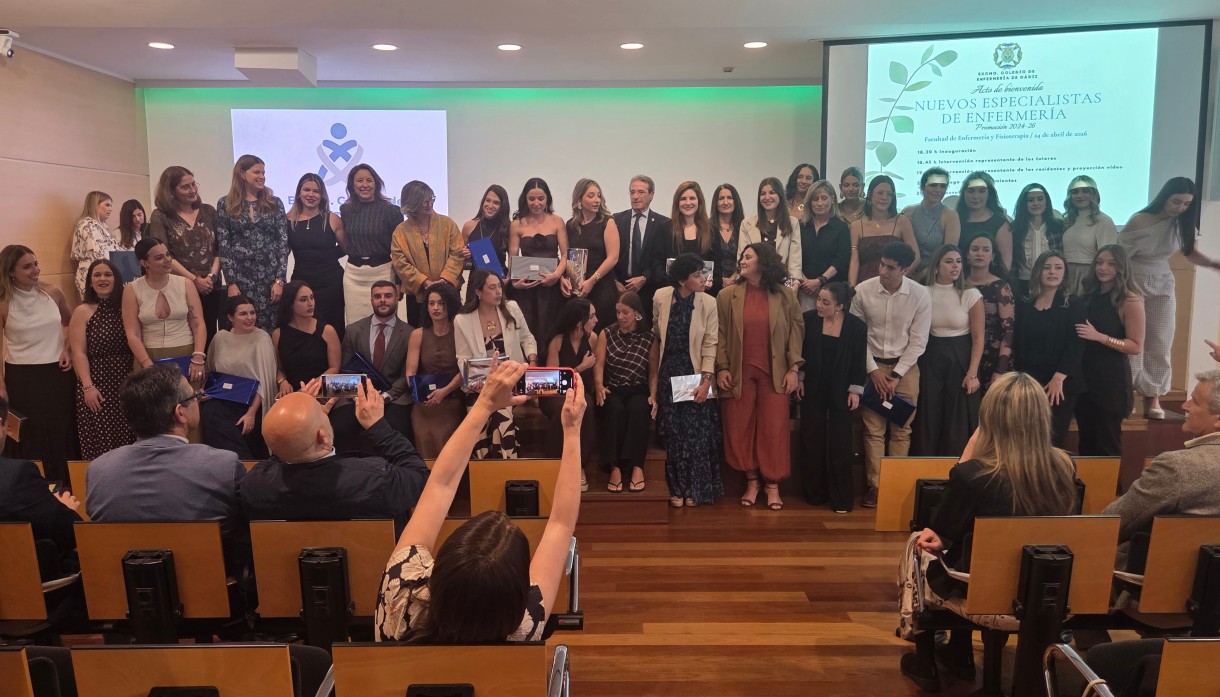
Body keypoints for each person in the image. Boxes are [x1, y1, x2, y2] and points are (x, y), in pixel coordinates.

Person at [374, 359, 585, 643]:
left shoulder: (399, 593)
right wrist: (572, 431)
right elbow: (561, 523)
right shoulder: (524, 625)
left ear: (439, 569)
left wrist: (484, 404)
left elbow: (440, 485)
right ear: (518, 589)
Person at [900, 371, 1079, 692]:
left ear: (990, 419)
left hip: (983, 595)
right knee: (970, 549)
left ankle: (926, 661)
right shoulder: (1065, 466)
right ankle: (958, 651)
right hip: (1046, 595)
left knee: (919, 543)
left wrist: (971, 446)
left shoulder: (973, 474)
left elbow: (940, 530)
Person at [86, 363, 249, 573]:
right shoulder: (224, 466)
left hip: (121, 590)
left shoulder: (98, 470)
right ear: (180, 413)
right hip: (211, 585)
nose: (198, 401)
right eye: (195, 397)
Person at [242, 377, 430, 536]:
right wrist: (378, 426)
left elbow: (285, 447)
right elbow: (420, 477)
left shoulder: (254, 486)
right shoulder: (375, 478)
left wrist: (297, 422)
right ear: (323, 437)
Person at [1120, 177, 1220, 419]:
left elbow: (1188, 252)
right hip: (1134, 280)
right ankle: (1128, 394)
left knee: (1161, 339)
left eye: (1186, 204)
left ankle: (1153, 396)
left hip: (1163, 282)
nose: (1180, 208)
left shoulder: (1182, 222)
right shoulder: (1139, 220)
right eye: (1176, 202)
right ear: (1164, 197)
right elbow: (1119, 256)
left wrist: (1211, 263)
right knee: (1135, 339)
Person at [716, 243, 803, 511]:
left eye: (748, 257)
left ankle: (772, 485)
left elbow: (797, 331)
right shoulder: (726, 295)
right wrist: (722, 367)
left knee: (774, 430)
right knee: (739, 427)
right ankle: (752, 481)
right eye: (741, 257)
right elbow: (719, 333)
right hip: (738, 374)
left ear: (762, 262)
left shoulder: (785, 296)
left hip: (776, 374)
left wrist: (794, 369)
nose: (742, 261)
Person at [1101, 369, 1220, 562]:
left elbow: (1110, 523)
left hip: (1145, 575)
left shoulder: (1176, 467)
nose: (1185, 405)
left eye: (1195, 401)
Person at [849, 242, 931, 508]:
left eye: (891, 268)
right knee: (873, 431)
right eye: (882, 264)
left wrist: (896, 375)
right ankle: (876, 487)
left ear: (905, 270)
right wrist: (873, 370)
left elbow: (918, 341)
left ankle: (896, 487)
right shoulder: (863, 290)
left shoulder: (919, 295)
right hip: (871, 365)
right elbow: (857, 337)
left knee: (901, 430)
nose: (883, 271)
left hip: (905, 368)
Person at [651, 253, 722, 508]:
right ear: (682, 280)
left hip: (696, 372)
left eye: (703, 273)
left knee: (696, 434)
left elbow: (710, 344)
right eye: (697, 275)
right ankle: (676, 488)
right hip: (668, 371)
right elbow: (656, 333)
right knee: (673, 434)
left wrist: (706, 381)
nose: (703, 279)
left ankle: (694, 488)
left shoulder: (709, 302)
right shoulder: (660, 296)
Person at [0, 246, 75, 483]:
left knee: (60, 430)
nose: (35, 270)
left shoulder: (53, 292)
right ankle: (34, 486)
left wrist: (67, 349)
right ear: (10, 271)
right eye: (27, 266)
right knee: (30, 435)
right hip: (22, 378)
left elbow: (70, 324)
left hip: (57, 373)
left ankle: (66, 485)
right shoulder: (3, 303)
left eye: (36, 263)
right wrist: (1, 386)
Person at [454, 270, 538, 458]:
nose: (499, 291)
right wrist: (473, 380)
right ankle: (489, 468)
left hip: (512, 381)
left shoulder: (512, 308)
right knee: (480, 414)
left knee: (500, 413)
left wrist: (532, 361)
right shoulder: (462, 320)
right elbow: (462, 357)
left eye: (499, 286)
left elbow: (527, 338)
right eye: (492, 288)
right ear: (478, 292)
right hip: (480, 386)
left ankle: (503, 466)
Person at [798, 282, 866, 513]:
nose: (819, 305)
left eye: (825, 302)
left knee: (840, 443)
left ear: (839, 306)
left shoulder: (856, 326)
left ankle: (841, 499)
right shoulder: (808, 319)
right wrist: (799, 377)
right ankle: (814, 494)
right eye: (819, 299)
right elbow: (801, 352)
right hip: (813, 387)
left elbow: (858, 360)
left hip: (841, 389)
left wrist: (855, 390)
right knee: (811, 439)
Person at [1074, 246, 1145, 455]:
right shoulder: (1088, 295)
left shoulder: (1130, 299)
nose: (1103, 268)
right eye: (1099, 262)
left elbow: (1135, 346)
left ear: (1122, 267)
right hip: (1085, 380)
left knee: (1107, 446)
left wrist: (1100, 337)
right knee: (1086, 444)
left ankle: (1111, 480)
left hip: (1111, 384)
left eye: (1111, 264)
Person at [914, 245, 983, 456]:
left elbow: (978, 338)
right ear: (936, 266)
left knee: (957, 416)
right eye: (949, 261)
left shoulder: (971, 294)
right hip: (930, 355)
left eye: (959, 261)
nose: (955, 266)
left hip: (960, 356)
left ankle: (956, 466)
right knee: (929, 412)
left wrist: (972, 374)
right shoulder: (923, 292)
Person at [1012, 250, 1086, 447]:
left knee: (1051, 440)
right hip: (1029, 382)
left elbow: (1076, 345)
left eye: (1058, 268)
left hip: (1060, 384)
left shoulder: (1074, 304)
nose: (1052, 272)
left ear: (1064, 273)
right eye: (1047, 267)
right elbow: (1018, 343)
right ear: (1038, 271)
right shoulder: (1025, 304)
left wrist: (1058, 378)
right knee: (1025, 438)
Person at [332, 280, 414, 453]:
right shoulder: (353, 330)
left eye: (388, 296)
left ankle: (393, 469)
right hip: (356, 396)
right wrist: (360, 397)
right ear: (371, 300)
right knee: (341, 425)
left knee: (396, 426)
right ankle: (348, 468)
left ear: (397, 298)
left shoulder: (410, 333)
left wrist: (384, 397)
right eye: (377, 296)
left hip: (393, 397)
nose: (382, 300)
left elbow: (405, 375)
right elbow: (345, 369)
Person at [147, 166, 223, 345]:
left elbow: (219, 249)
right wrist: (194, 280)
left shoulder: (208, 211)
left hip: (211, 287)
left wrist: (211, 277)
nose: (193, 190)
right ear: (171, 191)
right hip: (180, 287)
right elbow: (163, 254)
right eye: (185, 187)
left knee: (210, 337)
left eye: (193, 184)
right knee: (187, 338)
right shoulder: (161, 216)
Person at [69, 259, 136, 459]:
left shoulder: (127, 307)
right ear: (90, 282)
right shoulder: (82, 311)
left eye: (108, 274)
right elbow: (78, 353)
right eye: (97, 275)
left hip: (127, 383)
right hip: (97, 386)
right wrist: (88, 387)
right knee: (102, 444)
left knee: (131, 438)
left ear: (117, 279)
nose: (102, 279)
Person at [216, 154, 290, 332]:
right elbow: (224, 245)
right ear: (242, 173)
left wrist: (279, 281)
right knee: (243, 329)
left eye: (263, 173)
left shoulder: (274, 203)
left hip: (270, 280)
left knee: (272, 330)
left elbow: (283, 242)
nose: (262, 176)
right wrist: (231, 283)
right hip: (241, 280)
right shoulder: (225, 204)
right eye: (257, 172)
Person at [203, 295, 279, 459]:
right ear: (231, 317)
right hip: (222, 400)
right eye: (243, 314)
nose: (250, 318)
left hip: (251, 403)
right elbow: (210, 371)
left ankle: (243, 464)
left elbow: (265, 383)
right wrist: (207, 391)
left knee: (234, 427)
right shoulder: (220, 338)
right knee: (209, 413)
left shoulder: (262, 338)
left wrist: (251, 413)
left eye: (252, 313)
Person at [594, 291, 656, 492]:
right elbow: (599, 365)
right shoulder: (607, 333)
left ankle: (637, 466)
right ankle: (615, 467)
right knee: (614, 410)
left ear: (637, 313)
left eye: (625, 312)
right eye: (618, 312)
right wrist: (599, 385)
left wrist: (654, 395)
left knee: (639, 409)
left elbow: (653, 372)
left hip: (638, 388)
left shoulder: (649, 337)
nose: (620, 316)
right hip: (612, 387)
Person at [124, 238, 207, 380]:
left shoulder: (186, 284)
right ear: (144, 263)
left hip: (186, 352)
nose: (167, 260)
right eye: (159, 257)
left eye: (168, 254)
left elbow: (199, 325)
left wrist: (198, 357)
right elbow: (132, 334)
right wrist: (147, 364)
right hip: (148, 355)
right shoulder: (132, 289)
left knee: (186, 395)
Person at [391, 180, 465, 325]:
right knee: (420, 333)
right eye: (424, 201)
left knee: (453, 331)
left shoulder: (447, 224)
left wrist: (443, 280)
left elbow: (457, 254)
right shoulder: (401, 231)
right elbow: (400, 263)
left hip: (448, 291)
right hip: (418, 296)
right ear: (412, 203)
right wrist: (424, 282)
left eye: (431, 199)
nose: (429, 203)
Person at [339, 163, 403, 327]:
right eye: (360, 180)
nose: (365, 185)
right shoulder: (346, 210)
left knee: (385, 323)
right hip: (353, 276)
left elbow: (399, 250)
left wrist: (399, 281)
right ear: (352, 185)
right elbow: (345, 242)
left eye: (369, 180)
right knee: (355, 326)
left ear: (376, 183)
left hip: (383, 272)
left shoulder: (391, 211)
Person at [543, 298, 597, 491]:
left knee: (586, 407)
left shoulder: (592, 338)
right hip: (556, 394)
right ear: (579, 322)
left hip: (581, 390)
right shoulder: (557, 341)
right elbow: (552, 381)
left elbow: (597, 371)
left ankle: (579, 465)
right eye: (592, 316)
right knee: (563, 409)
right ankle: (556, 463)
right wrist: (581, 367)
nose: (596, 320)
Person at [407, 282, 465, 459]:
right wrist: (419, 392)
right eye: (431, 303)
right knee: (422, 433)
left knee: (446, 438)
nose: (436, 308)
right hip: (425, 402)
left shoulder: (460, 332)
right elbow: (410, 372)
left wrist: (444, 391)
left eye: (441, 303)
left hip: (452, 398)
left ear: (450, 305)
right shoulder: (418, 334)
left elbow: (466, 369)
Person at [287, 172, 347, 338]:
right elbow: (282, 253)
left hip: (331, 283)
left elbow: (347, 248)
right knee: (303, 328)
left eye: (316, 191)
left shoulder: (332, 218)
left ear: (322, 195)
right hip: (301, 281)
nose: (311, 195)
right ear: (299, 193)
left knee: (333, 327)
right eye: (307, 190)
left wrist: (326, 256)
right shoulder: (288, 220)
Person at [509, 177, 568, 345]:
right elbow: (513, 256)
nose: (536, 203)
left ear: (547, 198)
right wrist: (514, 282)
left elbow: (565, 255)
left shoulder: (557, 221)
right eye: (531, 199)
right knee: (528, 332)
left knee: (551, 332)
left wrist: (556, 275)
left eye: (541, 198)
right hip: (527, 287)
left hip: (552, 286)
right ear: (525, 199)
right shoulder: (517, 224)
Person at [647, 181, 722, 298]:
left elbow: (717, 268)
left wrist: (711, 283)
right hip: (671, 295)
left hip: (703, 296)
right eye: (683, 199)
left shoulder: (712, 230)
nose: (688, 203)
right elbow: (657, 263)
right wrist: (674, 287)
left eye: (692, 198)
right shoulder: (664, 228)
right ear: (677, 202)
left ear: (699, 201)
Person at [564, 178, 621, 331]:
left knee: (601, 331)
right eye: (591, 196)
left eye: (598, 195)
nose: (596, 200)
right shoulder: (570, 225)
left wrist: (592, 280)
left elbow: (613, 257)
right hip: (579, 289)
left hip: (602, 287)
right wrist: (567, 280)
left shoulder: (607, 222)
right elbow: (567, 256)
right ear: (579, 200)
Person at [612, 175, 671, 318]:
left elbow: (664, 260)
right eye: (632, 192)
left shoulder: (664, 224)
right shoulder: (616, 220)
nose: (635, 196)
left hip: (649, 292)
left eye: (641, 192)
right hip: (620, 290)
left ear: (651, 195)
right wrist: (615, 281)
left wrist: (645, 278)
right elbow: (609, 255)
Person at [849, 175, 919, 286]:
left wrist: (899, 278)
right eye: (880, 193)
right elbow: (854, 261)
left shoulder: (902, 222)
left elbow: (916, 257)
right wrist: (851, 289)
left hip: (895, 286)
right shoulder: (856, 225)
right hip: (865, 285)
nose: (884, 198)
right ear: (870, 195)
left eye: (889, 194)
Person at [272, 280, 340, 394]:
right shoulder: (278, 334)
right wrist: (282, 381)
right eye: (303, 300)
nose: (310, 303)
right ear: (290, 304)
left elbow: (334, 368)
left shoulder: (327, 331)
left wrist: (308, 389)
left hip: (322, 391)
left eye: (312, 298)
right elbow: (279, 368)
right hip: (293, 393)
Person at [965, 234, 1014, 389]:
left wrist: (1001, 369)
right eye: (975, 249)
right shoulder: (959, 284)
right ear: (967, 255)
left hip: (993, 358)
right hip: (963, 354)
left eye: (985, 250)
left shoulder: (1001, 287)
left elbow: (1008, 331)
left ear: (993, 256)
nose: (979, 253)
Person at [1060, 175, 1118, 297]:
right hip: (1066, 274)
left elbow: (1108, 257)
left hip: (1089, 276)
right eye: (1075, 192)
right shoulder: (1068, 220)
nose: (1080, 195)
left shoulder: (1104, 221)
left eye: (1085, 191)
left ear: (1094, 194)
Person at [738, 177, 803, 286]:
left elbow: (794, 262)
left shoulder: (792, 223)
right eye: (763, 194)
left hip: (782, 283)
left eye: (772, 193)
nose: (767, 197)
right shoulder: (747, 224)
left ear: (780, 195)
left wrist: (794, 284)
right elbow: (742, 258)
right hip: (753, 282)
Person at [798, 180, 851, 312]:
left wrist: (819, 281)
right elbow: (795, 256)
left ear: (832, 199)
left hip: (832, 291)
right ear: (809, 202)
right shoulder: (801, 226)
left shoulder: (841, 227)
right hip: (804, 290)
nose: (820, 203)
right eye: (815, 199)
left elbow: (841, 260)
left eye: (824, 198)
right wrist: (805, 282)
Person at [902, 167, 960, 278]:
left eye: (942, 186)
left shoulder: (950, 215)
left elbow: (949, 255)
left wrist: (921, 276)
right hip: (905, 274)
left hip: (935, 277)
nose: (938, 190)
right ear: (922, 187)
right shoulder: (908, 211)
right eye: (933, 185)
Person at [1008, 183, 1063, 300]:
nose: (1036, 203)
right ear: (1024, 204)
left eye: (1040, 199)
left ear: (1046, 202)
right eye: (1030, 200)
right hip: (1023, 283)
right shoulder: (1015, 228)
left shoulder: (1057, 227)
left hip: (1052, 281)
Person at [955, 171, 1012, 271]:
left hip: (991, 278)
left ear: (989, 194)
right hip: (957, 277)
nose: (975, 196)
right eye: (970, 191)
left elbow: (1005, 264)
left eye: (981, 191)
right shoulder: (955, 219)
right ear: (964, 193)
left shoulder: (999, 223)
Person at [70, 191, 123, 297]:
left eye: (111, 206)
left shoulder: (101, 226)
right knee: (95, 306)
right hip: (93, 274)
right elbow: (97, 254)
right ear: (95, 205)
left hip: (101, 274)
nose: (110, 209)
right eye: (107, 205)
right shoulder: (88, 225)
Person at [461, 184, 511, 273]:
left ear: (502, 206)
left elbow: (512, 258)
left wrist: (508, 278)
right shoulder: (468, 226)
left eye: (496, 203)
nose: (490, 206)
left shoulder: (508, 228)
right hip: (476, 279)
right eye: (488, 200)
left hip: (500, 279)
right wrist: (464, 255)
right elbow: (463, 261)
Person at [710, 183, 745, 289]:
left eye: (729, 198)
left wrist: (735, 277)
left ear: (736, 201)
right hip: (712, 284)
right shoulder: (706, 227)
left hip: (740, 282)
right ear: (716, 203)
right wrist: (720, 280)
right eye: (721, 198)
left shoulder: (744, 227)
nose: (725, 202)